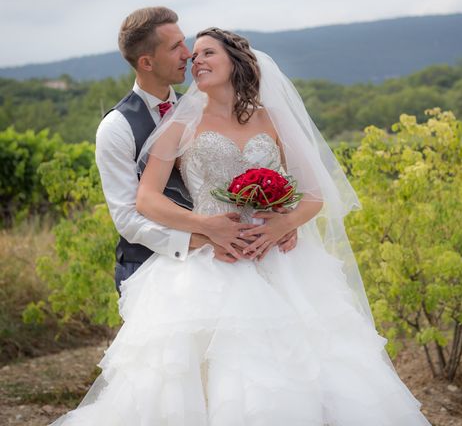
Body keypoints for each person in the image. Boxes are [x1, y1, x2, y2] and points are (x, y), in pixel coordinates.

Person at [52, 27, 431, 425]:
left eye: (207, 53)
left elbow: (315, 195)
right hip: (212, 261)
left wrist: (282, 223)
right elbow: (146, 200)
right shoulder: (181, 124)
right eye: (192, 55)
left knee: (312, 366)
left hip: (281, 260)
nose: (195, 60)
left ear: (236, 61)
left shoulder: (271, 120)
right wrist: (205, 226)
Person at [95, 6, 296, 295]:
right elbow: (128, 218)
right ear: (147, 62)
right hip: (151, 266)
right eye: (176, 46)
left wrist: (281, 220)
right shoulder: (116, 128)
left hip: (234, 250)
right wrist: (203, 237)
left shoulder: (201, 109)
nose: (188, 54)